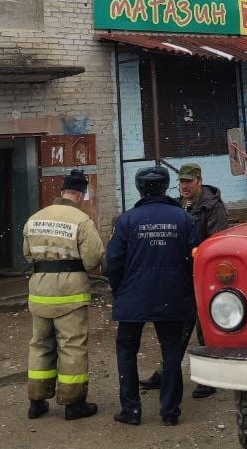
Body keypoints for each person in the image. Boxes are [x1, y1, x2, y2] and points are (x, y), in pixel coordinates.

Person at [105, 164, 198, 426]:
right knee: (171, 351)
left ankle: (131, 411)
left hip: (133, 296)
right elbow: (194, 260)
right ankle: (169, 412)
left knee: (126, 350)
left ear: (140, 189)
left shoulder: (127, 221)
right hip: (172, 295)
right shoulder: (183, 219)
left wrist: (119, 290)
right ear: (165, 186)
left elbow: (113, 262)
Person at [22, 169, 105, 421]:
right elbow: (93, 259)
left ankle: (36, 401)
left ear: (62, 192)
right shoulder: (81, 220)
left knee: (40, 345)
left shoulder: (35, 218)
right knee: (71, 346)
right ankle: (73, 403)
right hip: (70, 293)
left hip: (39, 291)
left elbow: (27, 255)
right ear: (80, 195)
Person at [140, 162, 229, 398]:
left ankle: (208, 378)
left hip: (204, 277)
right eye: (181, 181)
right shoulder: (178, 205)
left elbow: (216, 243)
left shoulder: (212, 207)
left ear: (199, 180)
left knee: (205, 329)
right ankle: (166, 372)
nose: (184, 186)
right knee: (177, 328)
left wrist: (195, 253)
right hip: (182, 276)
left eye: (189, 181)